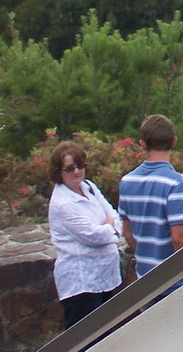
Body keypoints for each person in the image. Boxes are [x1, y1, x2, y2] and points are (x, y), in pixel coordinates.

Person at [47, 141, 123, 329]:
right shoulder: (63, 204)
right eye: (70, 168)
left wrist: (110, 224)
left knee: (107, 338)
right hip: (82, 284)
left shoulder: (89, 186)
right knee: (85, 340)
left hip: (105, 276)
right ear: (59, 171)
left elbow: (114, 214)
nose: (76, 172)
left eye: (80, 166)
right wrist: (110, 227)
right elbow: (94, 236)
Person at [118, 115, 183, 283]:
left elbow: (128, 233)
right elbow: (179, 237)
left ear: (142, 144)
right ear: (174, 142)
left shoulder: (127, 182)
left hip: (145, 278)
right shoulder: (175, 183)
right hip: (174, 281)